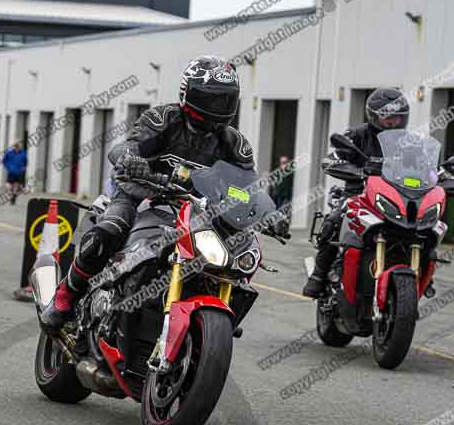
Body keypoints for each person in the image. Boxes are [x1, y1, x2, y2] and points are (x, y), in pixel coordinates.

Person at [40, 55, 288, 332]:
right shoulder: (162, 119)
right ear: (188, 93)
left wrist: (270, 213)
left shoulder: (235, 143)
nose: (219, 106)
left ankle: (218, 316)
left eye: (225, 99)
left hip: (199, 210)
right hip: (141, 194)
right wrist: (131, 160)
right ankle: (65, 296)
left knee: (242, 253)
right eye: (211, 98)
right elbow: (125, 147)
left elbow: (247, 189)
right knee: (108, 232)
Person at [302, 87, 410, 298]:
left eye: (397, 118)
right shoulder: (357, 134)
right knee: (334, 219)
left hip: (397, 198)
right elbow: (331, 159)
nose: (392, 122)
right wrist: (358, 172)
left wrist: (441, 176)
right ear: (373, 115)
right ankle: (318, 275)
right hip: (359, 194)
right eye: (386, 118)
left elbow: (427, 167)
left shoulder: (410, 141)